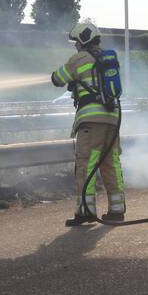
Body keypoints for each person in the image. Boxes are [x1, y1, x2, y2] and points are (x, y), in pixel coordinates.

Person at [50, 22, 125, 226]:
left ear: (83, 39)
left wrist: (60, 77)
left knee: (86, 163)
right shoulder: (107, 59)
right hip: (112, 119)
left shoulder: (79, 59)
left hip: (91, 122)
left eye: (76, 41)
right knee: (111, 163)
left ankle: (86, 211)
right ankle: (117, 209)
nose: (75, 45)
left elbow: (57, 79)